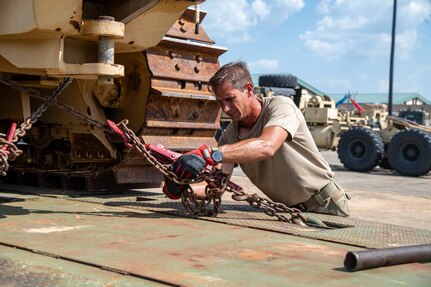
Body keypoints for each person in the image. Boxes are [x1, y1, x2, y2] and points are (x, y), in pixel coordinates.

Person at [163, 61, 350, 217]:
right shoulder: (231, 135)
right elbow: (217, 183)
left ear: (248, 89)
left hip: (327, 204)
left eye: (230, 99)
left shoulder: (280, 107)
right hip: (290, 212)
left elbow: (266, 146)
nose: (225, 109)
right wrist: (183, 186)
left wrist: (207, 154)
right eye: (220, 102)